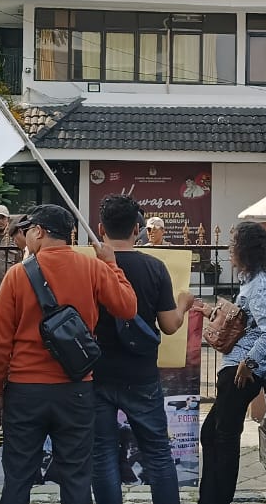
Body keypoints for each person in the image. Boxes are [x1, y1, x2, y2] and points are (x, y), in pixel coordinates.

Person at [0, 204, 137, 504]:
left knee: (18, 477)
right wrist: (111, 264)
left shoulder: (17, 276)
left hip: (25, 391)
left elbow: (0, 342)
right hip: (76, 388)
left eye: (28, 231)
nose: (26, 236)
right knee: (77, 478)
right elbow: (127, 307)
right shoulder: (92, 268)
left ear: (39, 232)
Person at [91, 195, 196, 504]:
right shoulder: (155, 267)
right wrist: (184, 303)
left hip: (98, 373)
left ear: (101, 228)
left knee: (103, 454)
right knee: (157, 454)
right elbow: (170, 325)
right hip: (141, 375)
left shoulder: (91, 269)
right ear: (137, 229)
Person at [196, 221, 266, 504]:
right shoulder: (258, 278)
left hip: (241, 373)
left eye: (233, 245)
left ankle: (216, 498)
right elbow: (246, 322)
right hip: (238, 368)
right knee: (211, 433)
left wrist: (249, 362)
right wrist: (212, 311)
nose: (229, 251)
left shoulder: (259, 284)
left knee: (223, 438)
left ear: (244, 250)